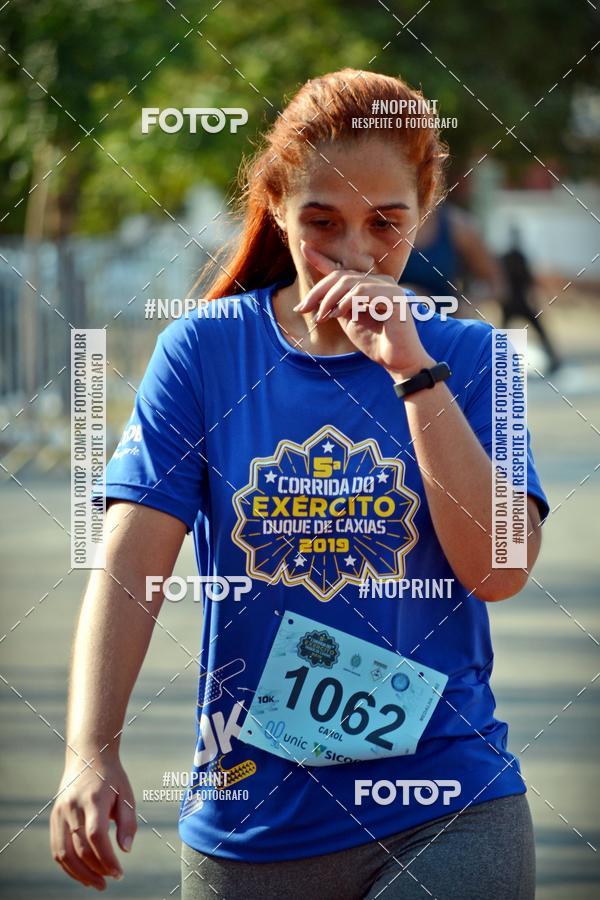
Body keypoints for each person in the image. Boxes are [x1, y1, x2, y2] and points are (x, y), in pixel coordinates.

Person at [50, 68, 549, 899]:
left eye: (386, 224)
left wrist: (413, 374)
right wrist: (90, 751)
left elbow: (498, 570)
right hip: (252, 819)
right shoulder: (205, 352)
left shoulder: (471, 359)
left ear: (425, 211)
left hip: (449, 805)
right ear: (278, 207)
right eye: (323, 223)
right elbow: (131, 563)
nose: (355, 254)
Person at [400, 201, 505, 317]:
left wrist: (470, 305)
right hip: (390, 325)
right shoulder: (383, 224)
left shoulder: (458, 226)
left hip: (445, 325)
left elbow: (496, 283)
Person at [499, 226, 561, 374]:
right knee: (503, 335)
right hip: (515, 302)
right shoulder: (508, 258)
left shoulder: (512, 257)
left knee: (504, 335)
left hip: (515, 303)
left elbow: (527, 281)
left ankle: (553, 360)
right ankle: (500, 365)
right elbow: (526, 280)